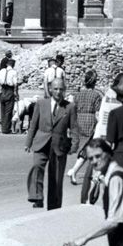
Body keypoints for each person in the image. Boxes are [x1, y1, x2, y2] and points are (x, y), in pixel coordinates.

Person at [24, 77, 78, 209]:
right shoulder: (41, 104)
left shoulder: (70, 107)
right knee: (37, 166)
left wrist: (75, 145)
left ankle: (54, 208)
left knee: (56, 178)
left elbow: (74, 128)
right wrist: (28, 142)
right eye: (55, 89)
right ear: (50, 89)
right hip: (41, 142)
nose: (58, 92)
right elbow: (33, 125)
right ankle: (37, 197)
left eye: (61, 89)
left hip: (59, 145)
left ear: (64, 90)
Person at [65, 69, 105, 203]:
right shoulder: (96, 95)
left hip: (78, 120)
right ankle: (75, 170)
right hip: (90, 122)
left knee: (85, 149)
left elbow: (73, 109)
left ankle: (74, 171)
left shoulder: (78, 94)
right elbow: (98, 113)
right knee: (88, 150)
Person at [0, 56, 19, 134]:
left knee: (3, 110)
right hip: (9, 90)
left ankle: (3, 127)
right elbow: (15, 84)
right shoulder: (14, 72)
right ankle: (6, 129)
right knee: (8, 110)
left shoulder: (2, 71)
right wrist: (16, 93)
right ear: (13, 65)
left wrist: (0, 86)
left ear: (7, 64)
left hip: (2, 91)